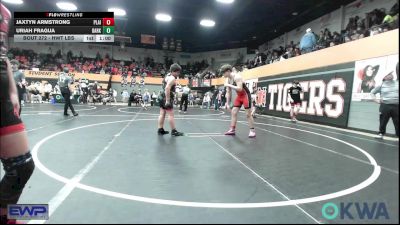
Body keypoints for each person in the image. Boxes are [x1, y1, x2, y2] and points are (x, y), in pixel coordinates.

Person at [0, 4, 35, 224]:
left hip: (3, 96)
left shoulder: (5, 12)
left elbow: (3, 53)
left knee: (22, 167)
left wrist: (12, 90)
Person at [221, 64, 256, 138]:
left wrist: (229, 85)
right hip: (239, 96)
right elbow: (228, 92)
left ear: (228, 71)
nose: (223, 74)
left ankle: (252, 131)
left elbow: (240, 88)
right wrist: (227, 103)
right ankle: (232, 130)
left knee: (248, 114)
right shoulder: (228, 79)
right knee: (233, 112)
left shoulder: (237, 77)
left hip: (246, 95)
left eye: (223, 72)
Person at [157, 63, 184, 136]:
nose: (178, 74)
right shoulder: (172, 78)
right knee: (171, 114)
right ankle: (174, 131)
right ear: (173, 71)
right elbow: (167, 88)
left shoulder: (167, 75)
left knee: (162, 114)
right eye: (177, 72)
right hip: (166, 97)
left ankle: (160, 129)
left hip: (162, 96)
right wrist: (168, 100)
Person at [370, 70, 399, 139]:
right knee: (383, 121)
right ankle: (381, 134)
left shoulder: (397, 83)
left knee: (397, 122)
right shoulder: (381, 85)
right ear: (385, 77)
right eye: (389, 74)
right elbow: (372, 93)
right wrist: (376, 100)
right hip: (385, 106)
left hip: (396, 106)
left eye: (391, 73)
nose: (391, 74)